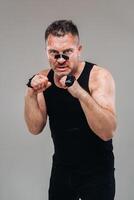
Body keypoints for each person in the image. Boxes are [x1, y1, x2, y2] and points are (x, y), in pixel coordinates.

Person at [24, 20, 117, 200]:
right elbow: (35, 128)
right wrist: (31, 93)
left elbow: (107, 131)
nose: (60, 60)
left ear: (79, 50)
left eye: (67, 52)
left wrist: (79, 93)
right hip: (62, 169)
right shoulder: (43, 79)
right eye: (54, 53)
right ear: (46, 52)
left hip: (97, 171)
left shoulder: (98, 77)